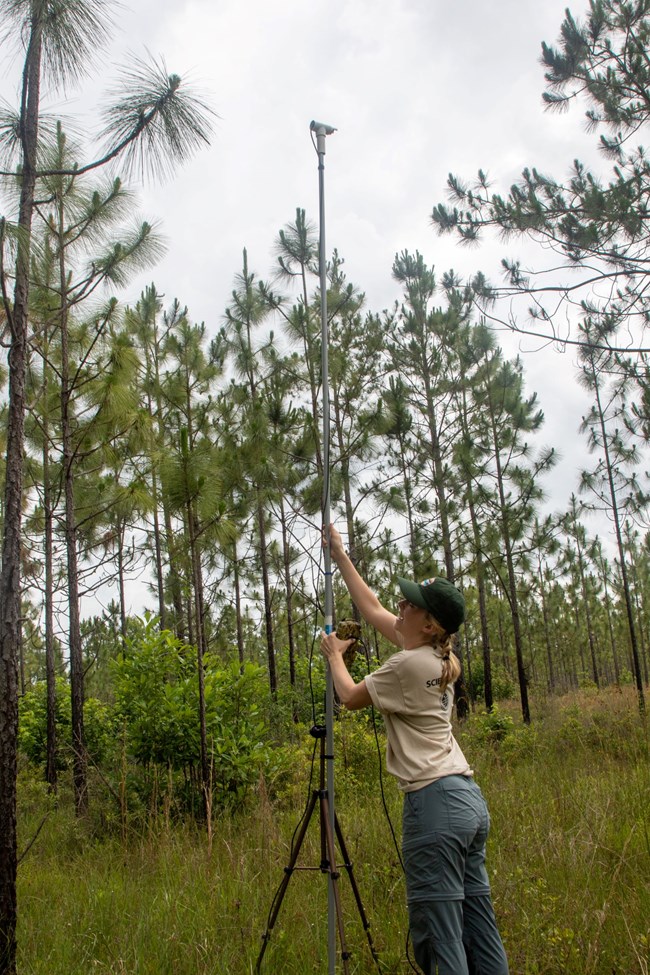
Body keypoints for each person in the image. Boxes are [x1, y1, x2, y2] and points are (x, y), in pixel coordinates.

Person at [320, 525, 509, 975]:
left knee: (439, 937)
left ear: (428, 624)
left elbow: (348, 696)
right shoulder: (437, 658)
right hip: (467, 801)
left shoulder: (405, 664)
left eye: (409, 605)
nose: (399, 607)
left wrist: (332, 654)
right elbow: (374, 610)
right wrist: (341, 556)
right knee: (477, 927)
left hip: (433, 804)